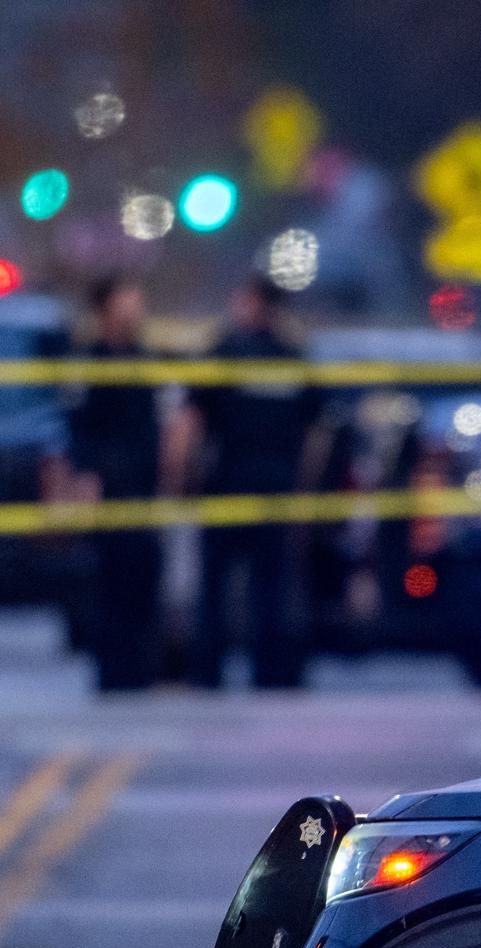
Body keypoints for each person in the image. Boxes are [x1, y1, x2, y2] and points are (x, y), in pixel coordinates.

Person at [170, 273, 327, 689]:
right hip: (269, 485)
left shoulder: (223, 352)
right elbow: (316, 435)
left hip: (229, 484)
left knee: (219, 589)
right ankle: (270, 675)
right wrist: (304, 492)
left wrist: (178, 480)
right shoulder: (292, 358)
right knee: (267, 589)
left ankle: (209, 675)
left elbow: (190, 423)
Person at [58, 276, 168, 692]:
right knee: (110, 580)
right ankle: (112, 673)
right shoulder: (89, 360)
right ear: (106, 307)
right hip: (107, 485)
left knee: (143, 575)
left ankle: (142, 671)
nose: (137, 307)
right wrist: (83, 476)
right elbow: (78, 426)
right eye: (129, 298)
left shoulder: (143, 358)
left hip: (142, 485)